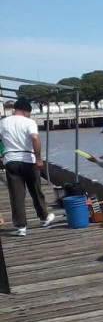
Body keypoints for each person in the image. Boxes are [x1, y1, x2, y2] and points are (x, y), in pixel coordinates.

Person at [0, 97, 55, 236]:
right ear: (26, 111)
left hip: (11, 160)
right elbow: (35, 139)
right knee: (36, 190)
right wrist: (38, 159)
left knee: (16, 194)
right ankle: (43, 218)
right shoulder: (29, 122)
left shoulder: (3, 122)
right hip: (28, 160)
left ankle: (21, 227)